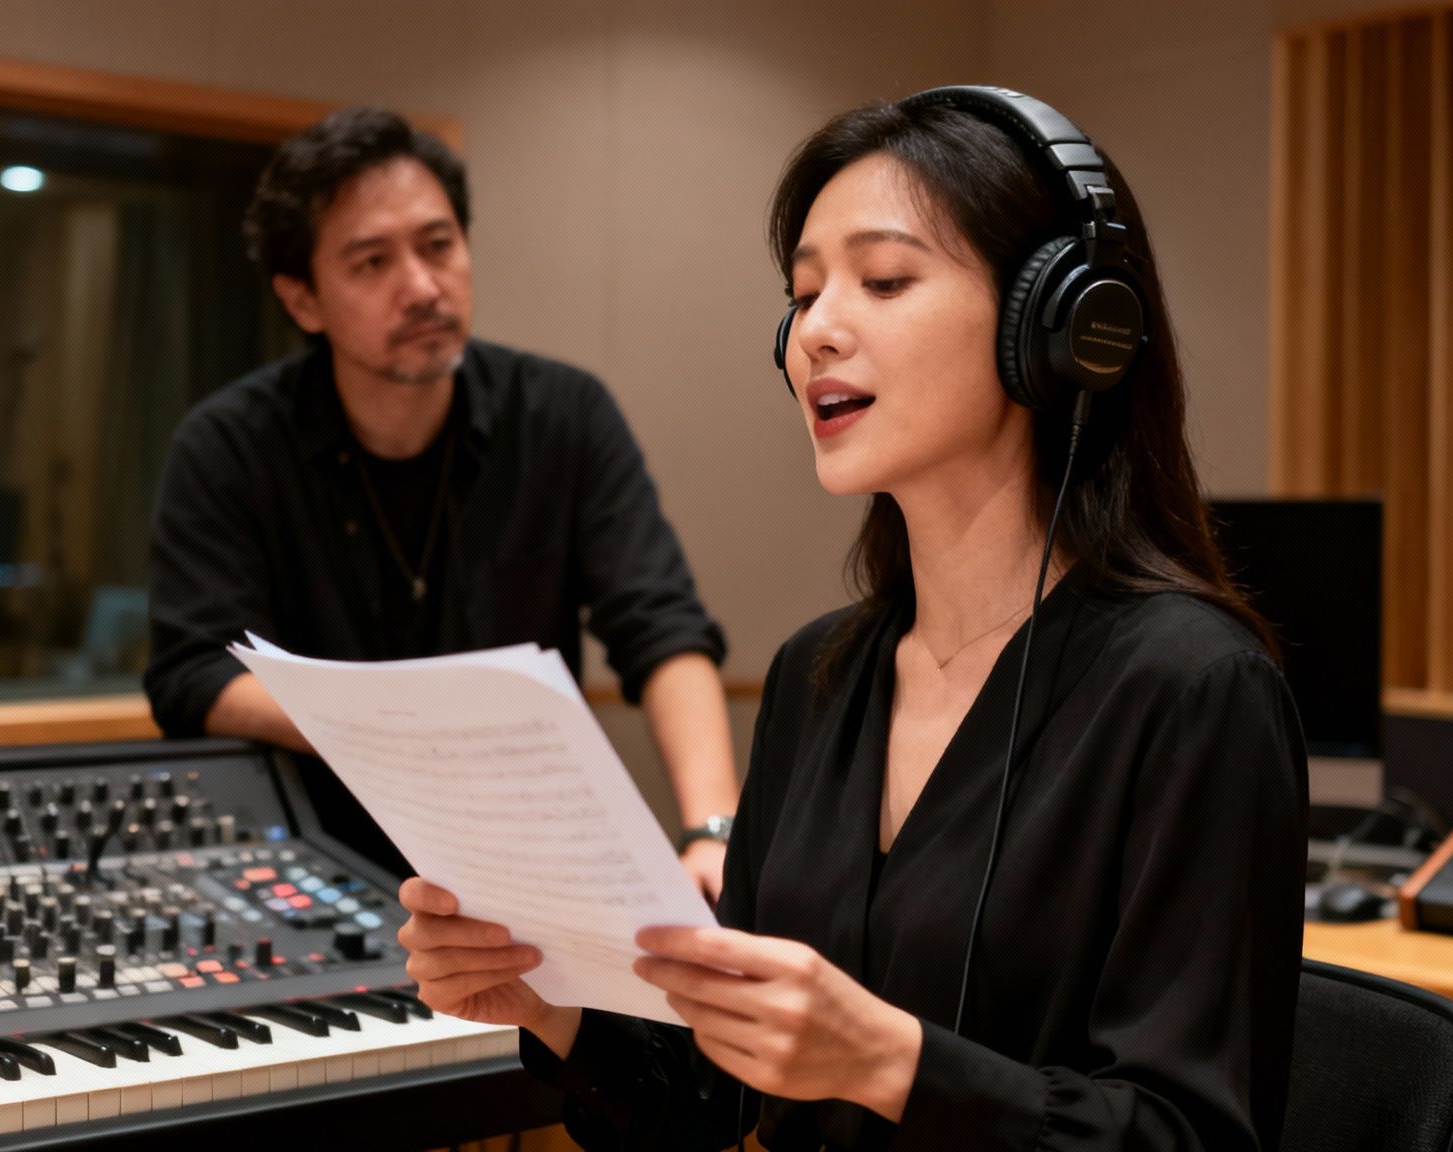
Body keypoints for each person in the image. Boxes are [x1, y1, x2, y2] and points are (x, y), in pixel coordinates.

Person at [396, 88, 1308, 1149]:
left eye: (882, 281)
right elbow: (709, 1098)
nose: (814, 333)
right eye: (803, 293)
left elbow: (1188, 1134)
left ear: (1056, 324)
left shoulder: (1194, 689)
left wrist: (891, 1064)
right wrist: (546, 1000)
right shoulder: (816, 675)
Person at [144, 108, 742, 897]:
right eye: (372, 263)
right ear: (303, 300)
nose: (423, 288)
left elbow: (660, 627)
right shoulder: (228, 445)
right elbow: (194, 675)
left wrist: (713, 830)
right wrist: (408, 730)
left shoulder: (562, 414)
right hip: (318, 868)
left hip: (529, 869)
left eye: (438, 246)